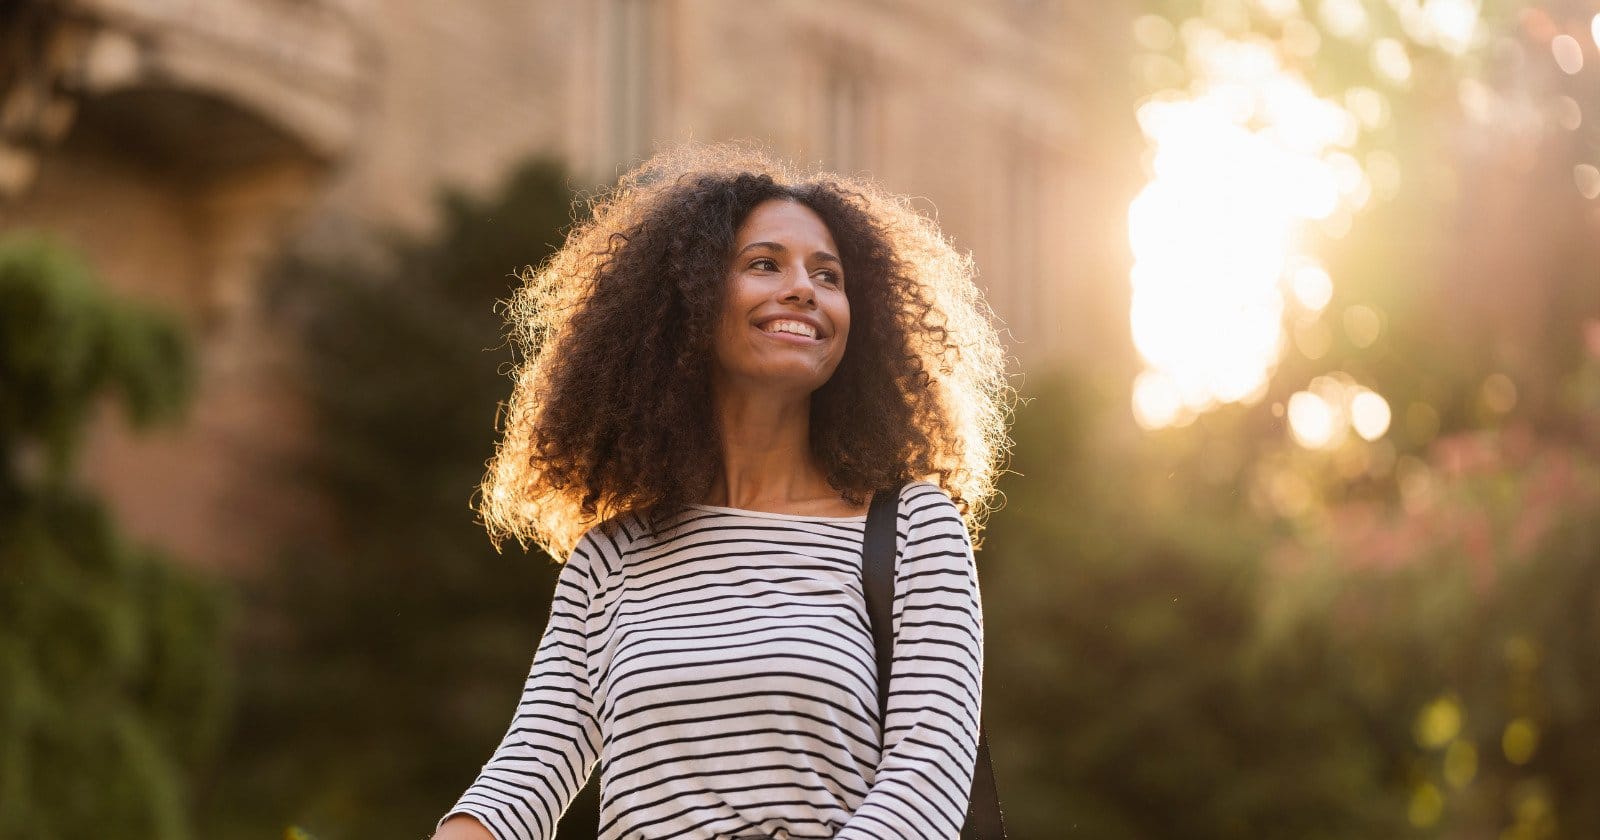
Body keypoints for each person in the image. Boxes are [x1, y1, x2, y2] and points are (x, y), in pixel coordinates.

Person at [433, 144, 1011, 840]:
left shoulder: (915, 530)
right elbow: (523, 778)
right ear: (691, 302)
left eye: (827, 275)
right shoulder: (611, 557)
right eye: (764, 264)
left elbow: (925, 785)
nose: (802, 288)